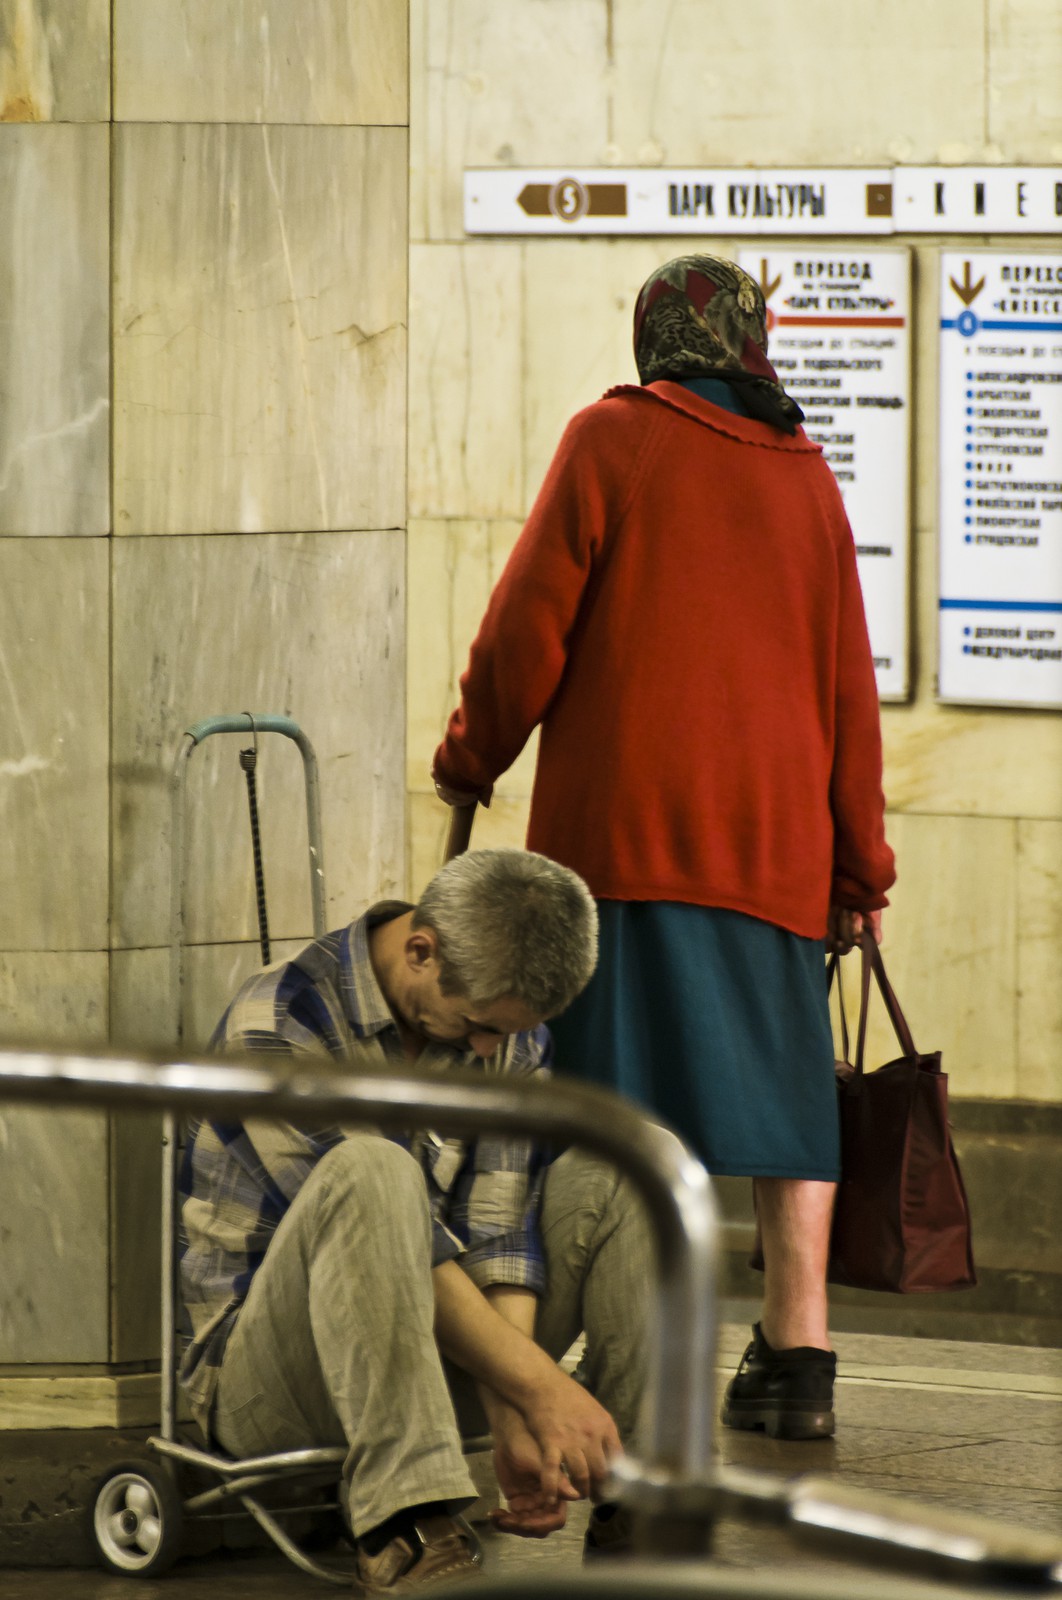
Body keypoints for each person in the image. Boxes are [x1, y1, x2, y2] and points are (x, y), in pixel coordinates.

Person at [432, 254, 896, 1443]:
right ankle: (800, 1353)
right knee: (790, 1108)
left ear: (655, 340)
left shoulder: (614, 438)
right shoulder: (808, 475)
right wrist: (859, 870)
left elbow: (526, 624)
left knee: (604, 1110)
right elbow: (850, 687)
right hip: (778, 853)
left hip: (627, 847)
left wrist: (472, 756)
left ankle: (571, 1357)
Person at [178, 847, 651, 1592]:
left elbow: (499, 1227)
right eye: (476, 1026)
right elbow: (403, 1244)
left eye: (508, 1033)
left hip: (433, 1356)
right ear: (420, 950)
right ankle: (407, 1525)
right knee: (375, 1170)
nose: (493, 1048)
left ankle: (638, 1496)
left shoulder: (510, 1034)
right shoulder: (274, 1027)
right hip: (269, 1381)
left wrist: (511, 1416)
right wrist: (542, 1391)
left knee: (625, 1169)